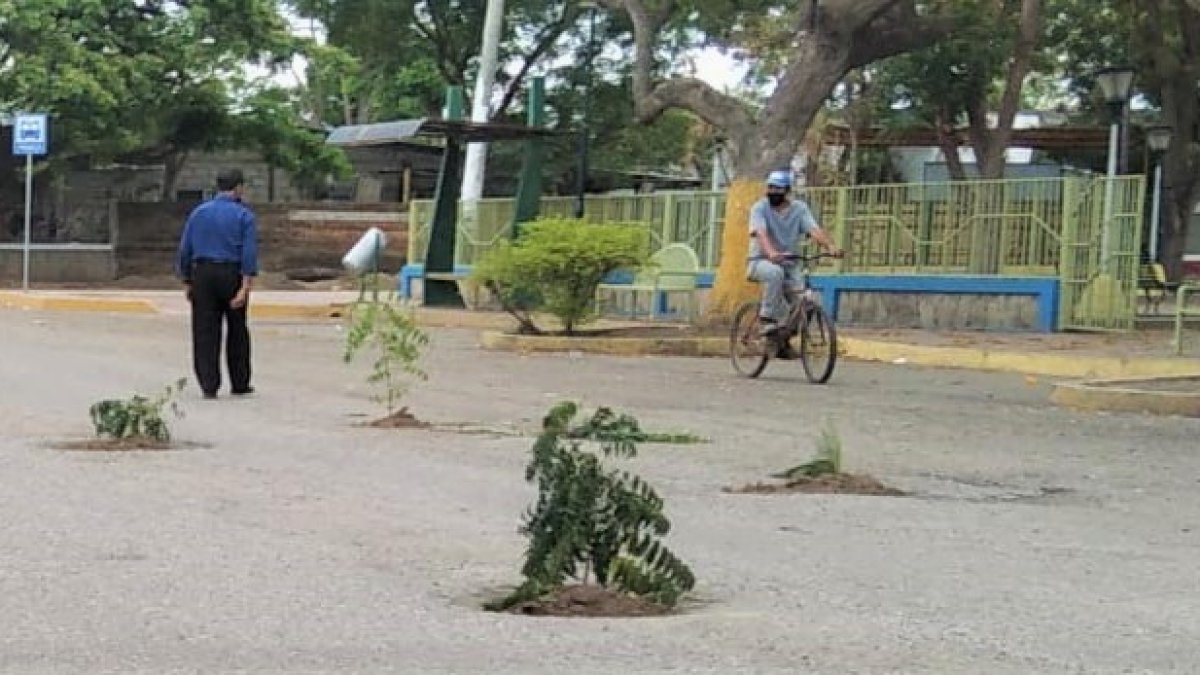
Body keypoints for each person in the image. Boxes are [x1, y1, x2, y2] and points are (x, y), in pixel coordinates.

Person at [175, 169, 258, 399]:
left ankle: (208, 385)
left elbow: (185, 249)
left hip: (202, 273)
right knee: (237, 329)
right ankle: (239, 382)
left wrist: (186, 279)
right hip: (231, 274)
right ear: (239, 187)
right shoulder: (244, 216)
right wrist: (245, 285)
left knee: (204, 331)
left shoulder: (198, 213)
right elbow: (249, 254)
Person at [746, 169, 843, 335]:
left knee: (807, 302)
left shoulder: (799, 209)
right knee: (775, 273)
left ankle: (785, 338)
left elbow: (814, 230)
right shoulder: (759, 208)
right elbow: (760, 233)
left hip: (789, 263)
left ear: (787, 191)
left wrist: (831, 247)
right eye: (770, 188)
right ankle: (766, 317)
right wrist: (771, 253)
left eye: (778, 189)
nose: (773, 192)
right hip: (761, 261)